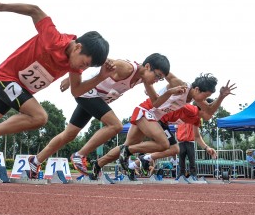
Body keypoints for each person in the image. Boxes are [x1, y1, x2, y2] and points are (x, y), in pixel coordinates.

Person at [0, 0, 110, 178]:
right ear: (78, 47)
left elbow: (76, 91)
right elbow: (35, 10)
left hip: (18, 89)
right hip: (5, 78)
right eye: (85, 63)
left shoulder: (75, 66)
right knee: (39, 117)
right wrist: (2, 7)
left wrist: (101, 76)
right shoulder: (55, 38)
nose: (83, 68)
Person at [30, 53, 171, 176]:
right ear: (147, 66)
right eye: (157, 76)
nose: (156, 80)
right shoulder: (127, 68)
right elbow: (95, 57)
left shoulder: (143, 79)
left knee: (69, 134)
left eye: (160, 79)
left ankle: (35, 161)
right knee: (115, 125)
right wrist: (71, 77)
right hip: (87, 92)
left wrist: (171, 92)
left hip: (94, 98)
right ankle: (79, 155)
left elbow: (156, 102)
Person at [90, 72, 235, 178]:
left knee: (127, 145)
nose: (206, 100)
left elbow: (209, 111)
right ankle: (129, 152)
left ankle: (98, 164)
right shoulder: (182, 85)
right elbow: (166, 73)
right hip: (147, 111)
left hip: (150, 115)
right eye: (206, 96)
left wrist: (221, 96)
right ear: (197, 89)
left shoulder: (194, 98)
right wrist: (148, 74)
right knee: (164, 145)